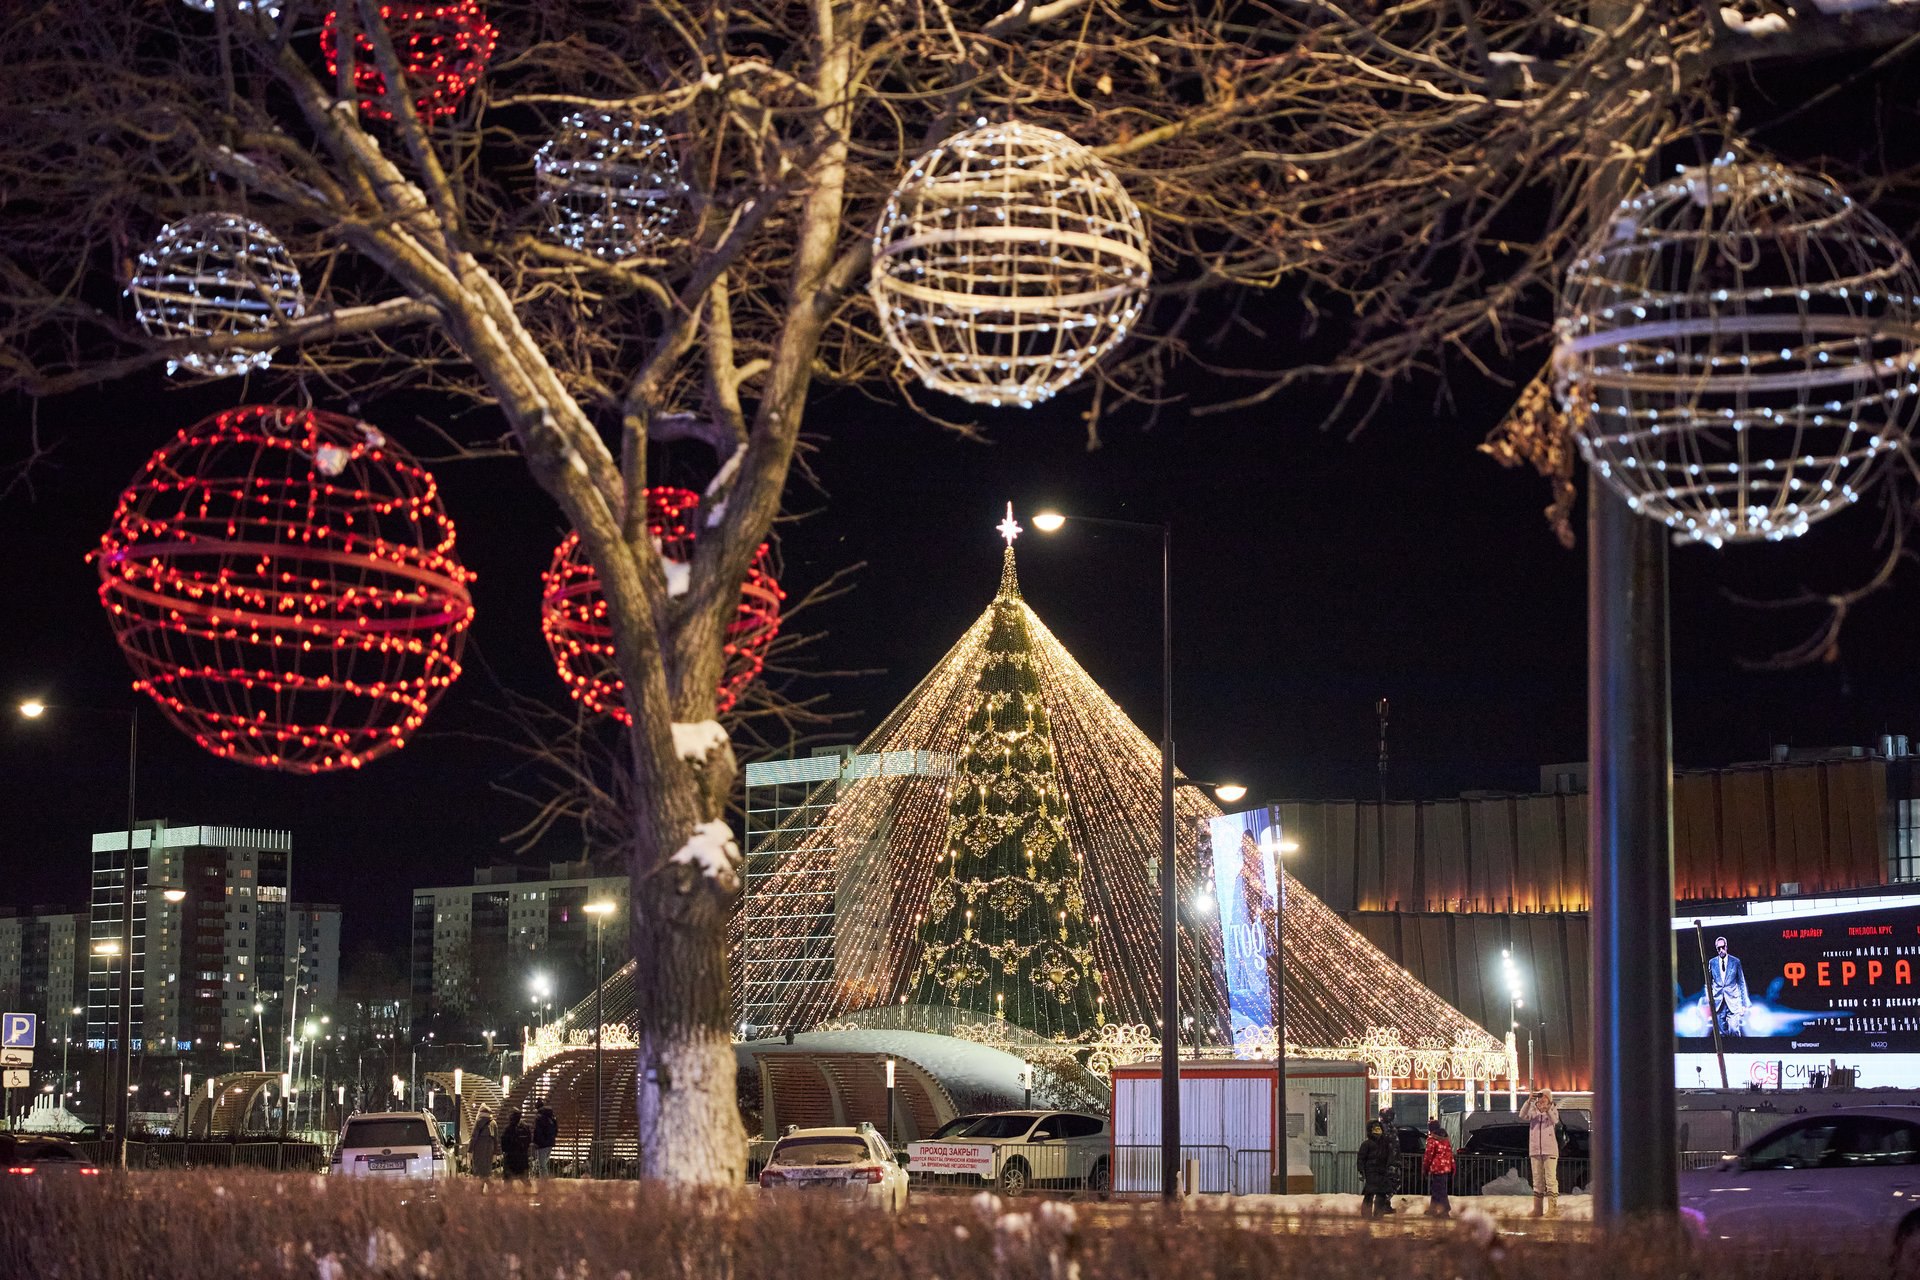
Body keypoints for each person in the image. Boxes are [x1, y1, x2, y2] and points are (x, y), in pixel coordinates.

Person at [1519, 1087, 1560, 1218]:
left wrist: (1547, 1109)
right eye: (1540, 1096)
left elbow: (1555, 1120)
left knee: (1550, 1180)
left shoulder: (1553, 1109)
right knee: (1537, 1180)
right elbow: (1522, 1115)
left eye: (1545, 1097)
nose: (1542, 1099)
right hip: (1535, 1150)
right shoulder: (1533, 1110)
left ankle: (1552, 1209)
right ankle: (1537, 1209)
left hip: (1550, 1150)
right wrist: (1528, 1101)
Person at [1704, 935, 1751, 1036]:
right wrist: (1709, 999)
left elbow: (1741, 983)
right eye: (1718, 948)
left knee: (1734, 1030)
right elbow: (1708, 983)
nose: (1721, 950)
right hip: (1718, 1003)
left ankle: (1737, 1050)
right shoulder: (1712, 962)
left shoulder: (1735, 962)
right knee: (1721, 1035)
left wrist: (1744, 1004)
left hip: (1733, 1001)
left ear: (1726, 947)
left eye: (1722, 947)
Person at [1357, 1119, 1398, 1218]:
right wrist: (1361, 1171)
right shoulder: (1366, 1144)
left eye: (1378, 1129)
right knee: (1370, 1193)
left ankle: (1378, 1214)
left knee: (1381, 1194)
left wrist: (1391, 1166)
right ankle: (1366, 1214)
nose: (1377, 1131)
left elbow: (1390, 1157)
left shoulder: (1385, 1144)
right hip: (1371, 1172)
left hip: (1382, 1171)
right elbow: (1361, 1158)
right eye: (1375, 1129)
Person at [1421, 1119, 1455, 1218]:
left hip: (1437, 1168)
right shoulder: (1445, 1139)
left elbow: (1428, 1156)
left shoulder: (1432, 1140)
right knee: (1438, 1188)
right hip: (1446, 1167)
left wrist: (1425, 1168)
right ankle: (1433, 1209)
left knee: (1439, 1190)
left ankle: (1445, 1210)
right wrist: (1453, 1167)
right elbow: (1450, 1154)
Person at [500, 1107, 533, 1180]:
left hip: (511, 1157)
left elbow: (504, 1141)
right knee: (524, 1178)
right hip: (522, 1156)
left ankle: (508, 1191)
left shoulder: (508, 1128)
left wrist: (504, 1151)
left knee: (508, 1179)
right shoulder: (525, 1126)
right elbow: (529, 1139)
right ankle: (528, 1190)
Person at [467, 1108, 496, 1178]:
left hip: (478, 1150)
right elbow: (496, 1139)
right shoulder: (493, 1123)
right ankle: (488, 1185)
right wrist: (495, 1152)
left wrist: (469, 1150)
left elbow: (473, 1137)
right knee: (487, 1171)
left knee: (478, 1172)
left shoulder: (478, 1122)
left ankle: (479, 1187)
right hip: (489, 1151)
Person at [532, 1104, 558, 1177]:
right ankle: (543, 1178)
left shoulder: (540, 1119)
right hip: (550, 1143)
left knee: (542, 1164)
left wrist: (536, 1142)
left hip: (542, 1145)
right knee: (544, 1163)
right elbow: (556, 1131)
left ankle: (544, 1180)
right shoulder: (552, 1120)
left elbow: (537, 1132)